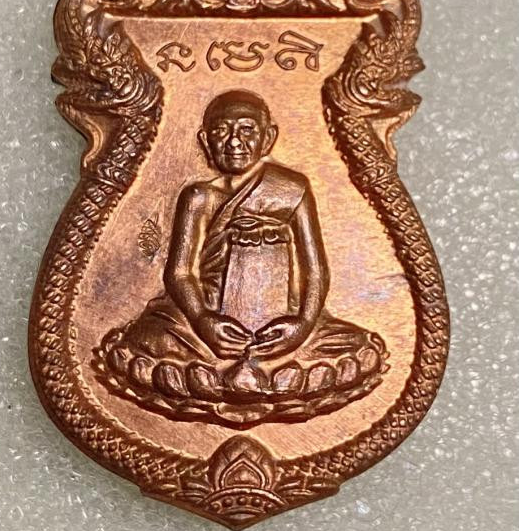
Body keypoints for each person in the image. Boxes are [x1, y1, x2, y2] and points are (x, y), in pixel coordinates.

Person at [99, 90, 385, 400]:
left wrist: (303, 324)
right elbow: (180, 273)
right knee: (145, 340)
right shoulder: (199, 197)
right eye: (221, 131)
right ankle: (255, 377)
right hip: (204, 321)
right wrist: (202, 320)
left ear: (268, 138)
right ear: (205, 140)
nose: (234, 142)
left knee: (352, 344)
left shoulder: (292, 188)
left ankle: (226, 376)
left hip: (281, 320)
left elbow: (315, 270)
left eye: (247, 129)